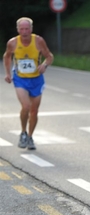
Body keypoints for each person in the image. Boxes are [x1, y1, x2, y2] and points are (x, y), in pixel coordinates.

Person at [3, 17, 54, 150]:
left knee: (34, 110)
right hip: (20, 79)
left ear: (31, 29)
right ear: (18, 30)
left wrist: (44, 65)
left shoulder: (38, 41)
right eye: (22, 29)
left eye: (27, 29)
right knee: (26, 106)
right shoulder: (13, 43)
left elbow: (49, 56)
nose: (24, 32)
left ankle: (30, 137)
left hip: (37, 80)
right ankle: (23, 133)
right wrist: (8, 73)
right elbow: (7, 56)